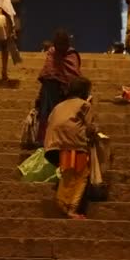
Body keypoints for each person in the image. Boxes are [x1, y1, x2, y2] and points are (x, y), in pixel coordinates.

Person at [43, 76, 98, 219]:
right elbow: (90, 128)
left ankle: (65, 204)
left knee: (69, 172)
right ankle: (68, 206)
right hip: (74, 143)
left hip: (53, 144)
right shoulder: (84, 105)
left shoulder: (59, 105)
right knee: (80, 174)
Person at [36, 29, 81, 145]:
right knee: (47, 114)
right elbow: (48, 72)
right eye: (58, 45)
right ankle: (44, 139)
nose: (60, 48)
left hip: (66, 92)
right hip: (50, 90)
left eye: (62, 45)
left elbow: (74, 75)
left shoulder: (71, 54)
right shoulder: (52, 52)